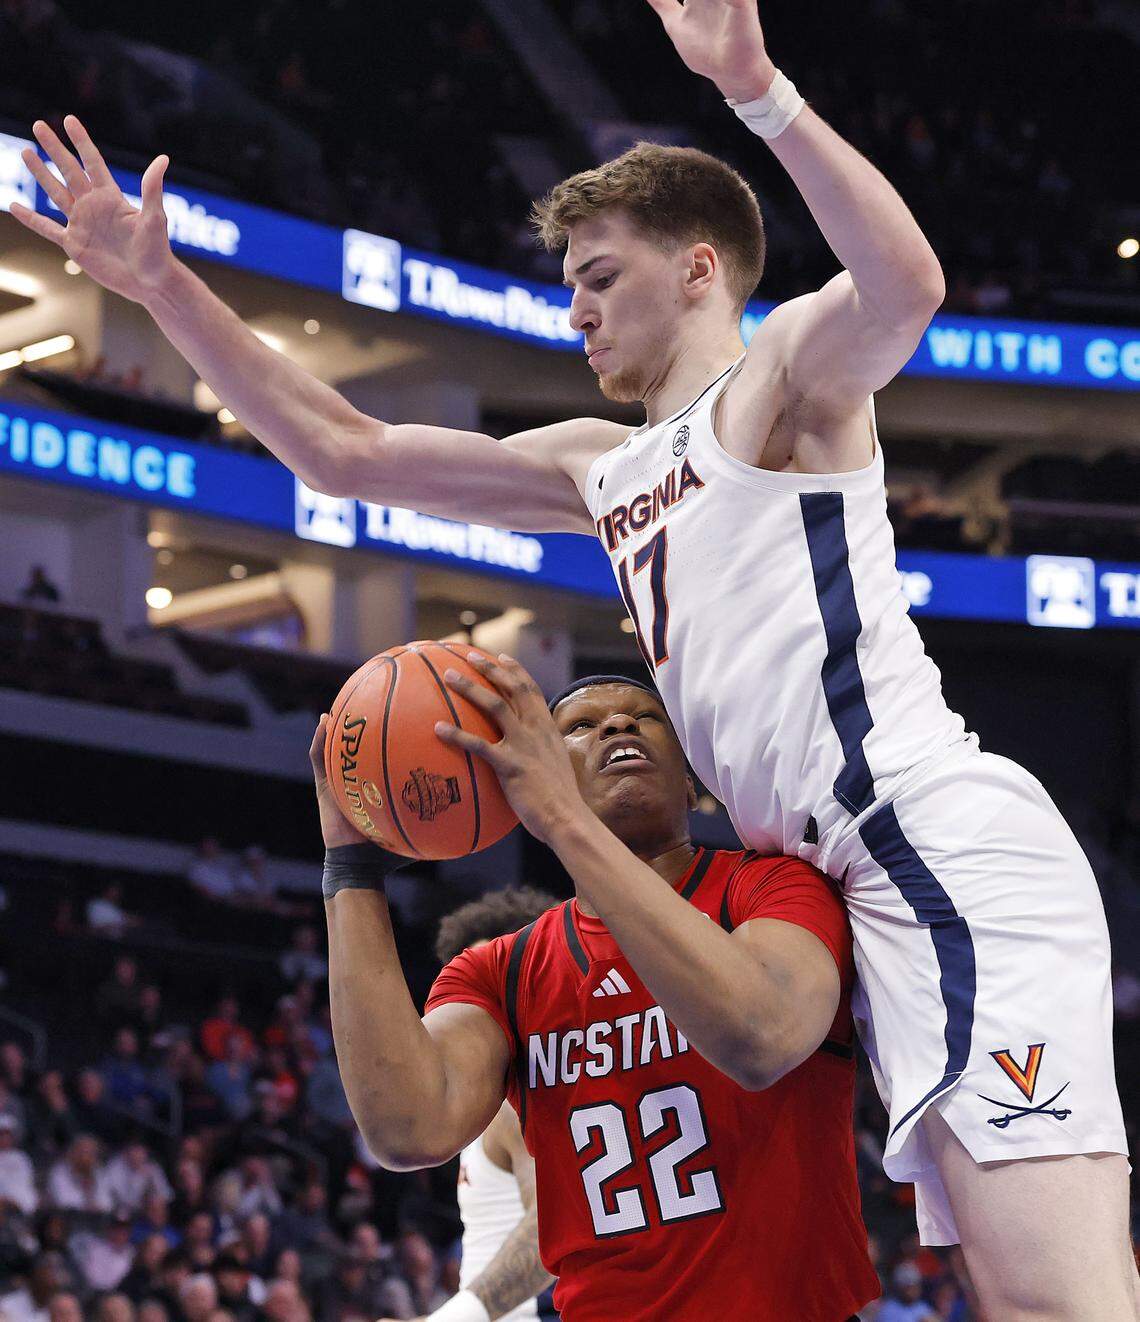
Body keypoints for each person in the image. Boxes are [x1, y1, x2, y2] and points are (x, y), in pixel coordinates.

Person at [14, 5, 1132, 1310]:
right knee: (1024, 1289)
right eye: (570, 284)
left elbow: (909, 287)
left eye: (599, 275)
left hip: (921, 835)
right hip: (842, 870)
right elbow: (344, 455)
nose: (576, 307)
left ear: (701, 266)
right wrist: (159, 283)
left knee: (1057, 1300)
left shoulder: (778, 387)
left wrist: (759, 91)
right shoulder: (599, 466)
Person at [312, 675, 877, 1320]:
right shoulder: (499, 971)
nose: (618, 726)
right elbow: (408, 1129)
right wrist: (350, 871)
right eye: (580, 727)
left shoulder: (773, 888)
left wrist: (563, 820)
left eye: (645, 717)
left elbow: (762, 1038)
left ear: (692, 782)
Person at [379, 888, 561, 1322]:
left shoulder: (522, 1098)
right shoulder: (489, 1096)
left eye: (491, 985)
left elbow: (552, 1226)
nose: (474, 1007)